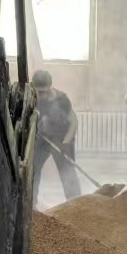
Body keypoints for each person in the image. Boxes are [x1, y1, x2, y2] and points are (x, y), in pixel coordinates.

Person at [32, 69, 83, 203]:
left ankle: (76, 204)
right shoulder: (30, 97)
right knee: (33, 170)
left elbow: (73, 122)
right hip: (41, 139)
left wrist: (65, 143)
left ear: (50, 87)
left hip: (62, 138)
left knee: (68, 172)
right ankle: (30, 204)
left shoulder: (62, 100)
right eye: (39, 92)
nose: (42, 96)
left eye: (45, 92)